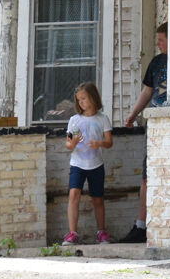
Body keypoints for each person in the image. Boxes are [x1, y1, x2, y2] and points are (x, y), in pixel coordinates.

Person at [121, 22, 167, 244]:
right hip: (154, 125)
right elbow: (148, 91)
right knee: (147, 176)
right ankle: (141, 226)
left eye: (162, 40)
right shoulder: (156, 62)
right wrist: (133, 114)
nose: (157, 44)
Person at [62, 81, 112, 245]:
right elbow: (68, 144)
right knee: (73, 194)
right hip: (77, 164)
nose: (81, 102)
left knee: (98, 199)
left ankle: (101, 232)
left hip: (96, 164)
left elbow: (109, 142)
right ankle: (72, 233)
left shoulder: (103, 119)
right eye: (79, 100)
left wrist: (99, 143)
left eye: (84, 98)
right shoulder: (74, 120)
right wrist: (74, 142)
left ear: (93, 97)